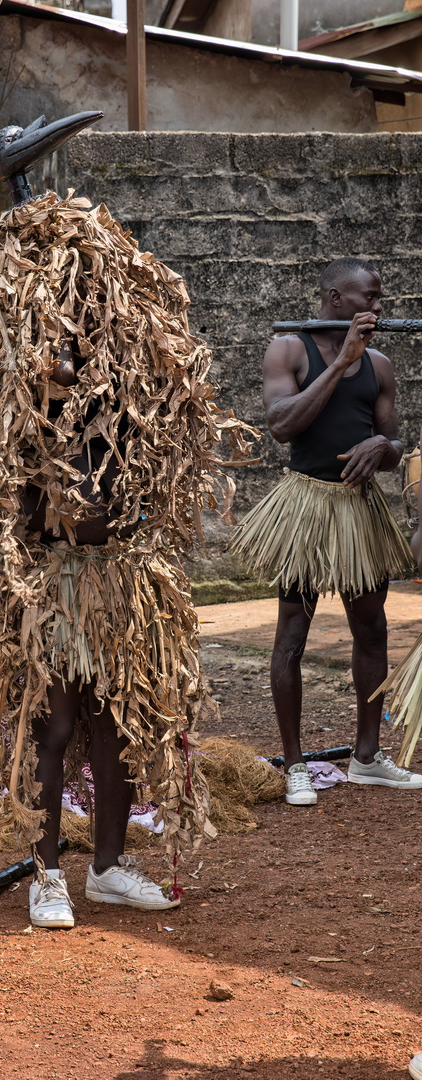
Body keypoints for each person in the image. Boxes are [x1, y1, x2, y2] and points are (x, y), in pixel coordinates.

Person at [0, 189, 253, 929]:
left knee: (119, 726)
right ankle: (46, 873)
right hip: (52, 585)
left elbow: (168, 428)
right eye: (51, 340)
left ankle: (107, 867)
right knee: (52, 725)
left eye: (77, 339)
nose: (66, 352)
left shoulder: (125, 403)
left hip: (121, 583)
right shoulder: (16, 412)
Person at [229, 257, 420, 806]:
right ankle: (294, 765)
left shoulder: (380, 365)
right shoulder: (290, 349)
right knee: (293, 634)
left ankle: (367, 756)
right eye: (369, 298)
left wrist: (383, 447)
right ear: (336, 299)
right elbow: (282, 425)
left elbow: (396, 446)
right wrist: (340, 365)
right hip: (306, 506)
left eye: (381, 299)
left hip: (360, 511)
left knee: (372, 628)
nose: (378, 308)